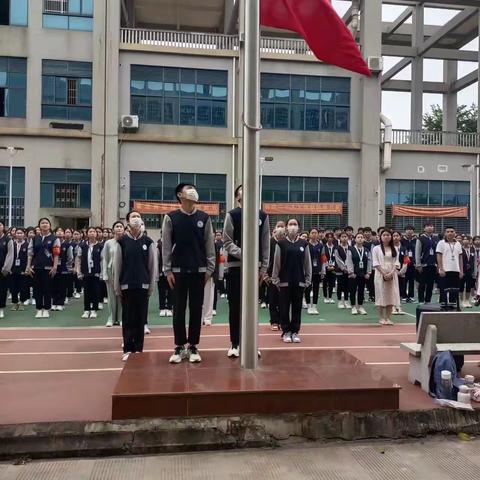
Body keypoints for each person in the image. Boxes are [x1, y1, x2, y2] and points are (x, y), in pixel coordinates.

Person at [162, 184, 215, 364]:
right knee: (178, 310)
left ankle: (193, 346)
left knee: (195, 309)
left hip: (199, 271)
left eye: (194, 188)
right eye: (188, 189)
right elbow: (166, 246)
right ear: (180, 195)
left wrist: (209, 269)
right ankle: (179, 346)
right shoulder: (171, 218)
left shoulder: (204, 218)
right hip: (177, 272)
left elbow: (210, 245)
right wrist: (167, 269)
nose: (193, 191)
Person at [223, 185, 270, 358]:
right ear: (237, 197)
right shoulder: (232, 214)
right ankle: (234, 343)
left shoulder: (262, 216)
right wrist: (245, 254)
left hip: (255, 269)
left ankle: (251, 344)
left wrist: (263, 268)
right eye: (242, 191)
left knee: (252, 309)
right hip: (236, 268)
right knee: (235, 307)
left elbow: (266, 244)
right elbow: (227, 241)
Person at [115, 211, 157, 362]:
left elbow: (153, 267)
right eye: (133, 217)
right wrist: (117, 287)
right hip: (126, 286)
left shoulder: (148, 242)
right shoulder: (122, 242)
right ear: (127, 222)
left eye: (138, 217)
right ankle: (127, 348)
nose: (136, 219)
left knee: (140, 319)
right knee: (127, 319)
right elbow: (117, 266)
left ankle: (138, 349)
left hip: (143, 286)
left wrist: (151, 286)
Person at [271, 218, 312, 344]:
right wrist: (275, 279)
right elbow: (276, 263)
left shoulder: (304, 244)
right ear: (286, 228)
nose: (292, 226)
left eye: (295, 224)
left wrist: (307, 280)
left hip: (299, 281)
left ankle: (295, 331)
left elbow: (307, 263)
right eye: (290, 224)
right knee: (283, 308)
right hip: (284, 282)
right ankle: (286, 331)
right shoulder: (281, 244)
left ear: (298, 227)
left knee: (297, 308)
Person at [26, 218, 60, 319]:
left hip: (48, 268)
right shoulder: (34, 238)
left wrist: (55, 267)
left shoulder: (54, 239)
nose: (44, 225)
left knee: (47, 289)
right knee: (37, 290)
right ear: (39, 226)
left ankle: (46, 309)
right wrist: (28, 266)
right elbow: (30, 253)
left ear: (49, 225)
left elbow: (56, 254)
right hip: (36, 268)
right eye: (42, 223)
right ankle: (38, 309)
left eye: (46, 223)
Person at [372, 229, 400, 326]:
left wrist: (391, 273)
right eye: (384, 235)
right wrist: (384, 273)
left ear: (391, 237)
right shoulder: (376, 248)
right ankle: (381, 318)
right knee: (380, 295)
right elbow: (375, 263)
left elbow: (397, 263)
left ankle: (388, 317)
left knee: (391, 295)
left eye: (388, 235)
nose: (386, 236)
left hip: (392, 275)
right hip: (380, 274)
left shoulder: (395, 249)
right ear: (380, 237)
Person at [76, 227, 103, 319]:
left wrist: (102, 273)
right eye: (90, 231)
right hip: (85, 272)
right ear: (87, 234)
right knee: (86, 292)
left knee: (95, 291)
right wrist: (78, 271)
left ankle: (94, 310)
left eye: (94, 232)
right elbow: (78, 258)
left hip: (96, 273)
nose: (92, 233)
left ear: (97, 234)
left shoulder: (100, 246)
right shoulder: (82, 246)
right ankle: (86, 310)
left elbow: (102, 260)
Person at [102, 221, 125, 327]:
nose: (119, 228)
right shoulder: (108, 243)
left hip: (123, 272)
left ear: (124, 229)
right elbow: (105, 259)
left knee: (121, 295)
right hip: (111, 271)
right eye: (117, 226)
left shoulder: (126, 242)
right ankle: (111, 317)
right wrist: (105, 273)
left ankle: (120, 318)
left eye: (121, 227)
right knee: (111, 296)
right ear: (113, 230)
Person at [266, 221, 285, 331]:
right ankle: (274, 321)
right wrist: (265, 274)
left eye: (282, 227)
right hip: (271, 275)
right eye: (278, 226)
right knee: (272, 300)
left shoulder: (287, 242)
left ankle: (283, 321)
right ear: (275, 228)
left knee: (284, 300)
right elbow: (264, 258)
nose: (280, 228)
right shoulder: (269, 242)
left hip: (284, 275)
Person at [436, 226, 463, 305]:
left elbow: (460, 258)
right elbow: (439, 256)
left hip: (455, 270)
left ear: (455, 233)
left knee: (454, 289)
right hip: (445, 270)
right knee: (443, 288)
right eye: (448, 232)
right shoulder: (441, 243)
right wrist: (441, 269)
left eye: (452, 231)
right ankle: (443, 304)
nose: (450, 233)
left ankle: (453, 303)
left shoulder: (458, 243)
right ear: (445, 233)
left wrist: (461, 271)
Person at [346, 232, 371, 315]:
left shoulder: (367, 250)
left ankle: (360, 306)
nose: (360, 238)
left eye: (361, 237)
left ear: (363, 239)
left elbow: (369, 262)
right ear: (355, 239)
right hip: (353, 274)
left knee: (361, 291)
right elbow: (348, 261)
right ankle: (353, 306)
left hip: (363, 274)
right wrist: (351, 272)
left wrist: (368, 272)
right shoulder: (350, 249)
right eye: (358, 237)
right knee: (352, 291)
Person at [415, 222, 438, 304]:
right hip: (423, 265)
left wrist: (437, 265)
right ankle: (421, 300)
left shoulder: (436, 238)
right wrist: (418, 265)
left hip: (433, 265)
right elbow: (417, 252)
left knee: (430, 284)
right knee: (422, 283)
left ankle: (428, 300)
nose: (430, 228)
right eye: (427, 226)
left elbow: (437, 253)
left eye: (431, 226)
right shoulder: (420, 239)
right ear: (424, 228)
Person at [52, 227, 73, 312]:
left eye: (61, 231)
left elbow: (70, 257)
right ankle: (54, 303)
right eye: (58, 231)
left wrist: (68, 267)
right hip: (53, 268)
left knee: (62, 287)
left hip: (64, 269)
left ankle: (60, 303)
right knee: (54, 286)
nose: (60, 233)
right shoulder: (53, 243)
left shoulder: (67, 245)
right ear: (55, 233)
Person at [305, 227, 324, 315]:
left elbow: (323, 259)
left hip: (317, 270)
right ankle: (309, 306)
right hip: (308, 271)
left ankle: (315, 306)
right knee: (308, 288)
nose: (314, 234)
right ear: (309, 234)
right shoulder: (306, 244)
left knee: (316, 289)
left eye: (316, 232)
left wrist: (323, 271)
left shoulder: (321, 245)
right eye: (312, 232)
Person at [10, 228, 29, 311]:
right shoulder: (12, 244)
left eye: (21, 233)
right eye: (17, 233)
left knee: (23, 287)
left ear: (24, 235)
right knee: (13, 287)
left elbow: (29, 257)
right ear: (15, 234)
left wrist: (27, 268)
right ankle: (15, 303)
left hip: (23, 269)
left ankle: (21, 303)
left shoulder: (27, 245)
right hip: (12, 269)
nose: (19, 234)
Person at [157, 236, 173, 318]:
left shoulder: (172, 242)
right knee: (161, 290)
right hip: (161, 271)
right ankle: (162, 307)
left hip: (170, 271)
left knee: (171, 289)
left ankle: (169, 307)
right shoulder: (158, 244)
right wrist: (159, 271)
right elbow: (157, 259)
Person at [334, 232, 351, 309]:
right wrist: (344, 268)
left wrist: (348, 268)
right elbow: (338, 260)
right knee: (340, 286)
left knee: (347, 286)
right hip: (340, 270)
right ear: (340, 238)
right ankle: (340, 301)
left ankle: (347, 301)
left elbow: (350, 259)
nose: (344, 238)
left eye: (345, 236)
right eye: (342, 237)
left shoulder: (351, 248)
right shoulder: (337, 248)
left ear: (348, 238)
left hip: (349, 270)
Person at [401, 225, 417, 303]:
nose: (409, 231)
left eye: (411, 229)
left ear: (413, 231)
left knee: (411, 280)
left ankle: (411, 296)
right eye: (407, 229)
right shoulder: (402, 240)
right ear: (405, 231)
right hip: (404, 263)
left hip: (413, 263)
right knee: (404, 280)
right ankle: (404, 296)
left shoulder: (416, 240)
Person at [460, 235, 475, 308]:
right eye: (464, 239)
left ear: (470, 241)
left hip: (470, 271)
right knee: (461, 286)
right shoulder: (460, 249)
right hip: (462, 271)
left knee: (469, 286)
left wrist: (474, 271)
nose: (465, 241)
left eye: (467, 239)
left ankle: (467, 301)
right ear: (462, 241)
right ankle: (462, 301)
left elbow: (474, 261)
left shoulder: (472, 249)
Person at [322, 233, 336, 304]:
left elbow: (336, 258)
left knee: (331, 283)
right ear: (326, 239)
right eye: (328, 237)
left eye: (331, 237)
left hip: (333, 268)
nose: (330, 239)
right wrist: (327, 266)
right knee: (325, 283)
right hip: (325, 267)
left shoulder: (335, 247)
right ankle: (325, 297)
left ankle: (330, 297)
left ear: (333, 238)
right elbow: (323, 257)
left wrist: (333, 266)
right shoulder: (323, 247)